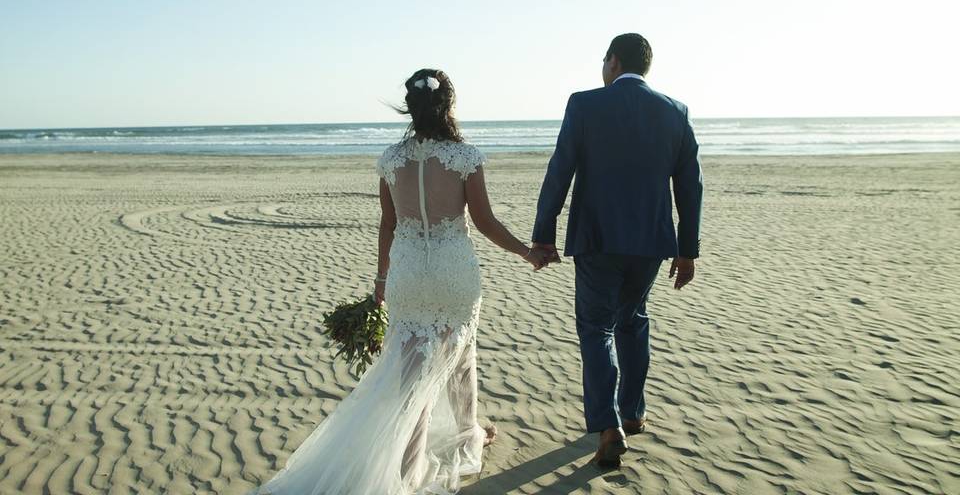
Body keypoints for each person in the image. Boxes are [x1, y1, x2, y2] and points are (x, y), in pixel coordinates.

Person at [252, 68, 550, 494]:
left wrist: (381, 279)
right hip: (452, 272)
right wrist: (526, 251)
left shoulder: (391, 159)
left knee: (412, 374)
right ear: (448, 105)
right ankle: (453, 447)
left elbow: (388, 224)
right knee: (460, 357)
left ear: (410, 108)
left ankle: (423, 459)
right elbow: (484, 222)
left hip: (407, 272)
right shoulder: (465, 158)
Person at [531, 33, 704, 468]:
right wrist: (688, 251)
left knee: (596, 327)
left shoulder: (584, 104)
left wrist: (544, 233)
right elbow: (690, 187)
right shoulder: (675, 112)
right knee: (632, 319)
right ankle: (634, 411)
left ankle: (609, 425)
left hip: (597, 239)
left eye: (603, 60)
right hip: (650, 242)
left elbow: (560, 170)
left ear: (612, 61)